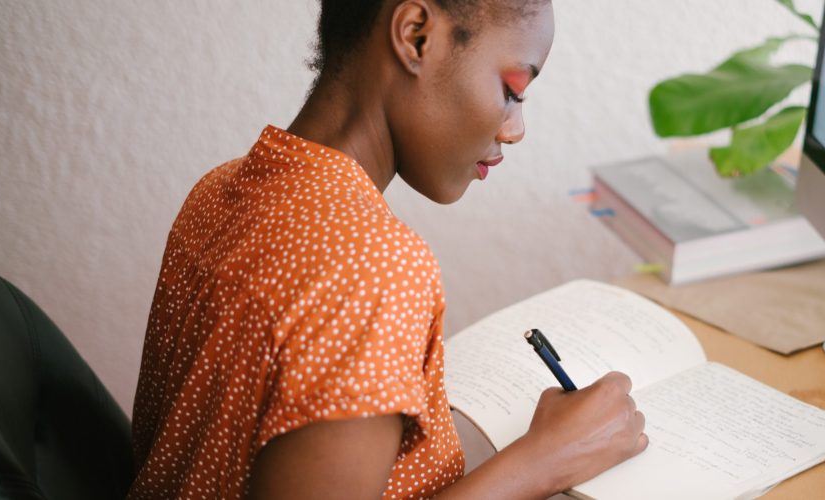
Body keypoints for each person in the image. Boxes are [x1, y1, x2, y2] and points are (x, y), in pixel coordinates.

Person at [128, 0, 648, 498]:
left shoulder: (218, 190)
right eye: (513, 90)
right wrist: (545, 459)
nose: (515, 130)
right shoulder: (373, 266)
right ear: (415, 35)